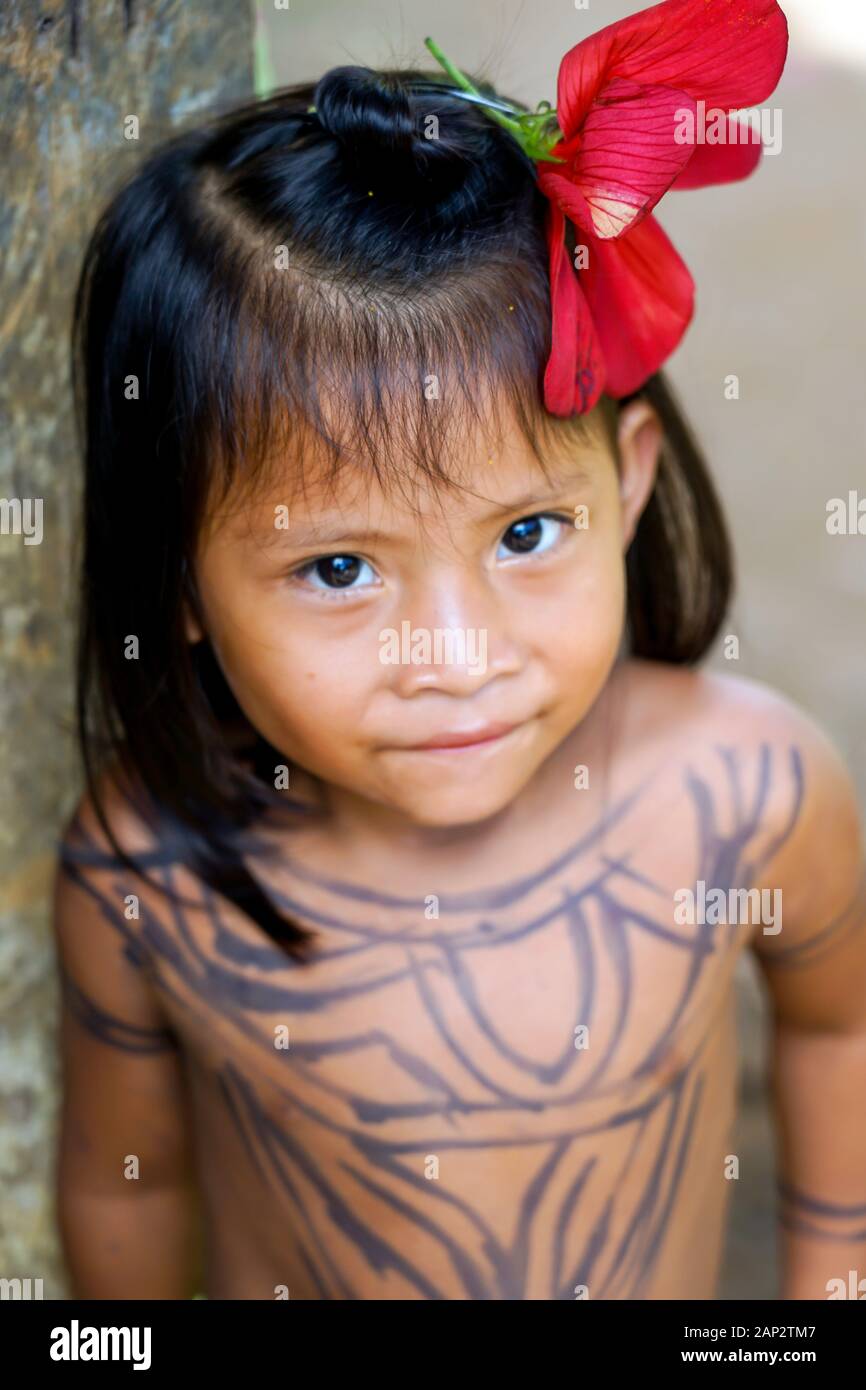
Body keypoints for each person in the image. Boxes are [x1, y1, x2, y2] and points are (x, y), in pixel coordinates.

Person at [52, 0, 866, 1301]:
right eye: (336, 567)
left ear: (630, 486)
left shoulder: (745, 793)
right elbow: (116, 1184)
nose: (454, 650)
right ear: (179, 579)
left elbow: (840, 1032)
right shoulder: (148, 872)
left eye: (529, 530)